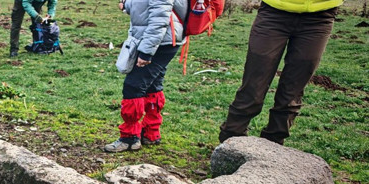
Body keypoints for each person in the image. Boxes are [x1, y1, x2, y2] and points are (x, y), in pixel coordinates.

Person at [218, 0, 342, 145]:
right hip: (274, 12)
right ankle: (230, 141)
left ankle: (273, 146)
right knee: (254, 86)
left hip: (320, 16)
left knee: (291, 92)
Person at [104, 0, 189, 153]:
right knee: (152, 85)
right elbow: (146, 7)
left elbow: (159, 18)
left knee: (133, 86)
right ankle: (151, 133)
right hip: (164, 39)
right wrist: (127, 5)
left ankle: (129, 138)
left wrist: (146, 52)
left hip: (160, 41)